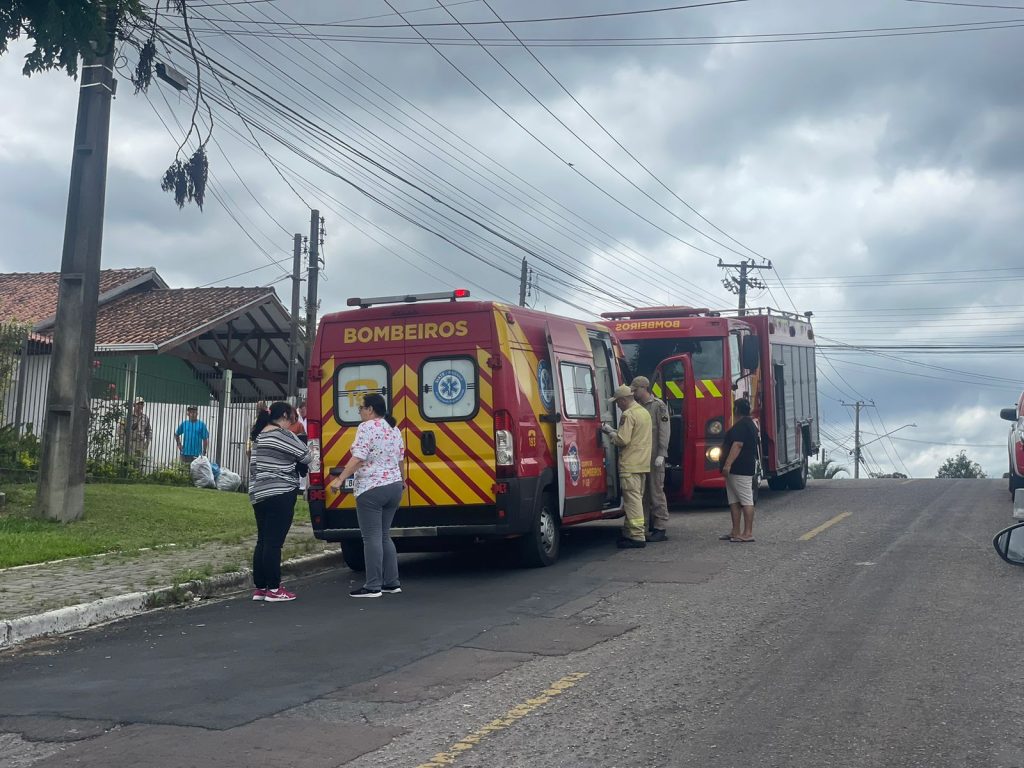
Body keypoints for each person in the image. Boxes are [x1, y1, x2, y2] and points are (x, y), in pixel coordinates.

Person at [327, 393, 406, 598]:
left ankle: (372, 586)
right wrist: (402, 480)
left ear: (370, 409)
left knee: (371, 537)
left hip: (372, 488)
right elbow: (400, 458)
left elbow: (359, 457)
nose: (359, 412)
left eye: (361, 408)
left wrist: (340, 478)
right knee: (384, 535)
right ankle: (391, 582)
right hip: (394, 486)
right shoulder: (394, 429)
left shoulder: (366, 427)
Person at [249, 401, 312, 602]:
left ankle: (261, 587)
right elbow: (307, 456)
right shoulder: (282, 435)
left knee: (263, 540)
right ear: (284, 415)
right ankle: (275, 589)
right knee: (274, 543)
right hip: (280, 492)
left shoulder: (260, 436)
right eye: (292, 417)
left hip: (259, 493)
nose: (293, 422)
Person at [601, 384, 652, 549]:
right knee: (637, 498)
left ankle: (637, 536)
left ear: (623, 400)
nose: (617, 405)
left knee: (632, 501)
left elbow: (623, 440)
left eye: (617, 402)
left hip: (629, 465)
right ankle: (631, 532)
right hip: (642, 464)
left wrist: (609, 432)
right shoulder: (643, 412)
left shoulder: (628, 415)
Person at [631, 376, 671, 542]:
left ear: (644, 388)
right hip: (641, 457)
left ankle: (660, 526)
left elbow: (664, 430)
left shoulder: (658, 406)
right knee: (642, 494)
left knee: (656, 491)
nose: (634, 393)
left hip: (654, 456)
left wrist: (662, 453)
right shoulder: (636, 407)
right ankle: (644, 525)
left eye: (635, 389)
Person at [720, 398, 759, 543]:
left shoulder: (742, 426)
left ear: (736, 410)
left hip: (740, 469)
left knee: (746, 500)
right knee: (734, 501)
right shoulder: (749, 424)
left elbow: (737, 445)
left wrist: (727, 464)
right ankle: (735, 531)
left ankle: (747, 533)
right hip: (736, 471)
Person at [123, 396, 153, 461]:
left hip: (141, 444)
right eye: (138, 404)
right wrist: (124, 442)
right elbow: (120, 430)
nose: (140, 405)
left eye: (141, 404)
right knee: (128, 462)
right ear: (134, 405)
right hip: (130, 444)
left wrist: (147, 443)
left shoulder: (145, 418)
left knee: (138, 465)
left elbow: (149, 431)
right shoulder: (127, 417)